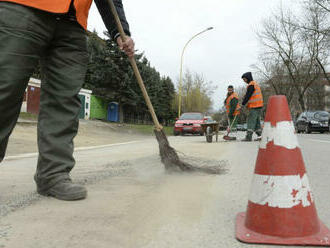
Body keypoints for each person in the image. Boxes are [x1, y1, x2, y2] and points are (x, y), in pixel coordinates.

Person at [0, 0, 135, 201]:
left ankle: (53, 175)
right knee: (5, 86)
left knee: (64, 100)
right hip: (22, 7)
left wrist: (120, 31)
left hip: (73, 22)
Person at [241, 72, 263, 142]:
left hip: (254, 106)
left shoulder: (251, 85)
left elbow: (248, 95)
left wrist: (243, 104)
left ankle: (248, 137)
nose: (244, 81)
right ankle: (260, 136)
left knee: (250, 121)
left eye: (244, 79)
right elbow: (249, 95)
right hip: (258, 105)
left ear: (248, 78)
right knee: (256, 121)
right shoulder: (255, 84)